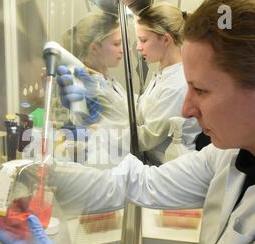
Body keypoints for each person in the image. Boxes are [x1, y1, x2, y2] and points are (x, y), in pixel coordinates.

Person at [0, 0, 255, 244]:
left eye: (201, 90)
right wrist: (47, 173)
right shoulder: (227, 154)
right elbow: (140, 183)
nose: (186, 109)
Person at [59, 2, 202, 166]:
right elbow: (141, 108)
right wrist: (104, 90)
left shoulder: (177, 85)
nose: (138, 48)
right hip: (151, 162)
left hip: (167, 169)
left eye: (143, 40)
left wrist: (102, 131)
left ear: (165, 40)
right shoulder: (164, 75)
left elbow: (146, 138)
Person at [57, 10, 130, 167]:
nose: (122, 50)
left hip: (120, 163)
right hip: (103, 166)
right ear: (95, 48)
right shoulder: (86, 88)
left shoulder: (106, 79)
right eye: (116, 44)